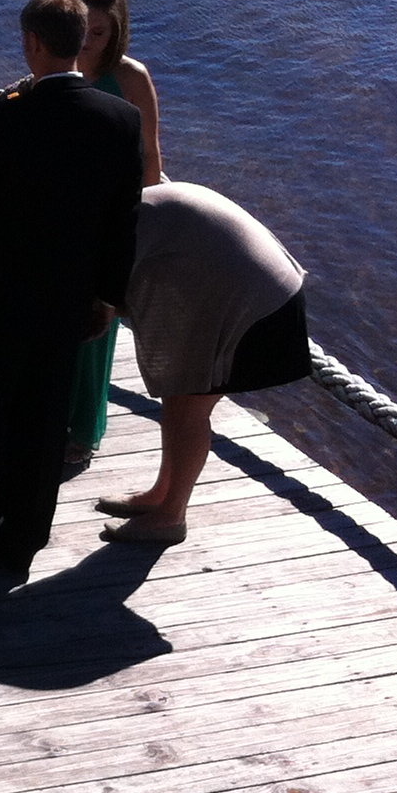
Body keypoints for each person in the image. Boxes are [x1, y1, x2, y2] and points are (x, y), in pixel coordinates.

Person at [0, 0, 144, 579]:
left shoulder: (6, 115)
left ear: (31, 42)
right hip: (68, 301)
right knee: (44, 423)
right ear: (80, 41)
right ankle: (23, 541)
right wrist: (107, 297)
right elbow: (123, 219)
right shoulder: (120, 119)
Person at [98, 182, 310, 546]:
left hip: (260, 308)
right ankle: (161, 495)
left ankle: (171, 517)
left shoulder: (122, 229)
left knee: (189, 411)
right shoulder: (132, 209)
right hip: (241, 289)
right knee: (178, 400)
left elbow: (106, 303)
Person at [65, 0, 165, 463]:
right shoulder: (61, 68)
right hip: (63, 214)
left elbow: (151, 156)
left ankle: (84, 431)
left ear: (117, 32)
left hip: (109, 218)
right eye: (83, 29)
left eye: (99, 32)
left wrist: (143, 222)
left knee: (95, 327)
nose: (88, 41)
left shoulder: (130, 77)